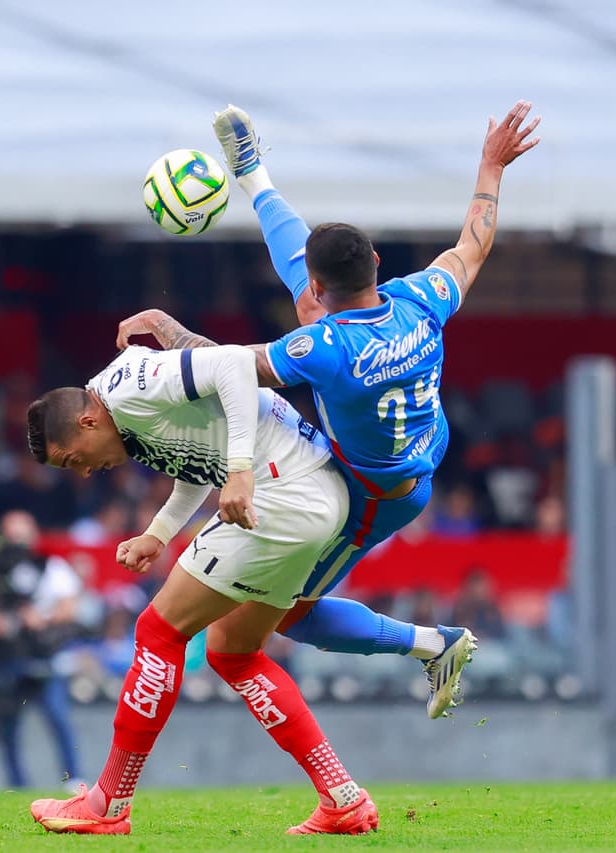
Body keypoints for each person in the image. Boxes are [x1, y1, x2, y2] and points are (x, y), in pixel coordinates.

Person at [113, 100, 538, 716]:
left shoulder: (324, 349)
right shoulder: (421, 297)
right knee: (313, 321)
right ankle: (253, 175)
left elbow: (227, 368)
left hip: (376, 493)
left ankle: (434, 644)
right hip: (420, 441)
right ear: (377, 265)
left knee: (293, 616)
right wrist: (491, 166)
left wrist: (167, 328)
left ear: (319, 283)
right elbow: (472, 244)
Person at [25, 343, 378, 835]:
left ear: (87, 422)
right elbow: (196, 464)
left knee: (158, 632)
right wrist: (158, 534)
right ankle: (342, 799)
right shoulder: (127, 419)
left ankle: (108, 804)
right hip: (312, 495)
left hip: (281, 492)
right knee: (235, 654)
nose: (83, 472)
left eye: (72, 460)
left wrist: (240, 470)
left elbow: (235, 363)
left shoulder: (129, 389)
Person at [0, 511, 83, 789]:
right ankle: (17, 784)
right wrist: (2, 623)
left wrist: (41, 618)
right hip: (8, 657)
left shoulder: (49, 566)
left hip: (45, 658)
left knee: (58, 718)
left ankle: (74, 779)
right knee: (8, 726)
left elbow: (69, 606)